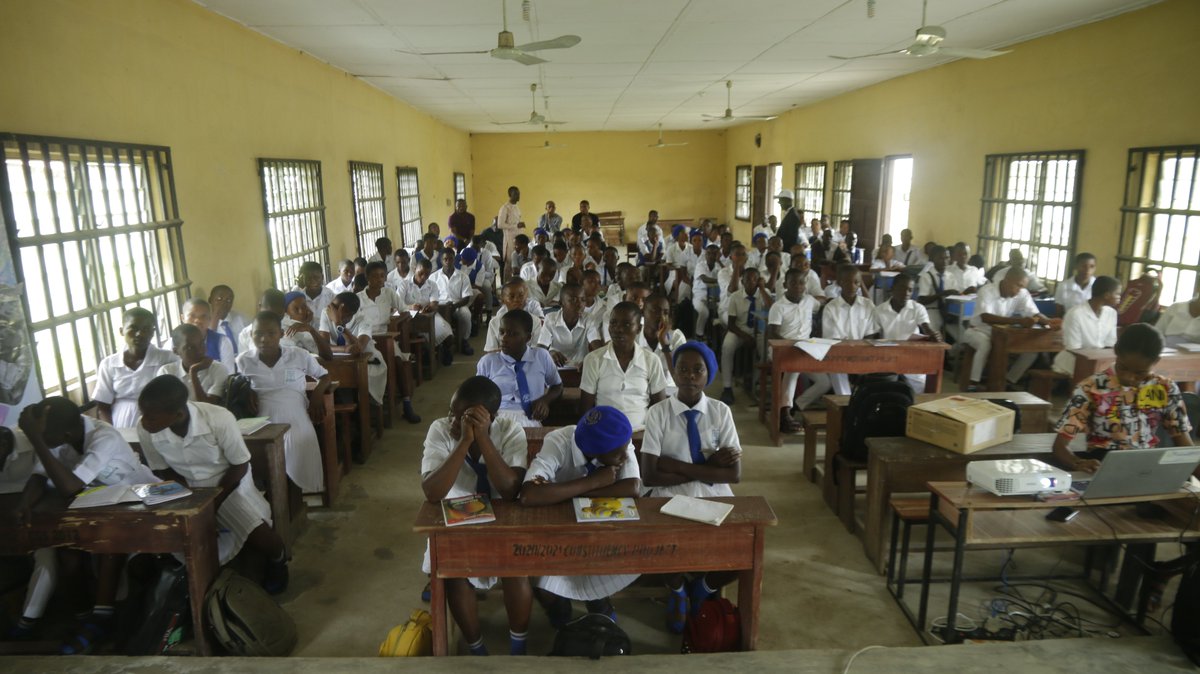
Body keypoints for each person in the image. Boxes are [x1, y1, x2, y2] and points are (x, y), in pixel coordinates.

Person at [16, 397, 159, 653]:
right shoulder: (63, 434)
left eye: (43, 435)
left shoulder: (104, 438)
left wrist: (36, 439)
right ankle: (84, 618)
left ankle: (101, 620)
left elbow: (70, 486)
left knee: (110, 542)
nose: (40, 439)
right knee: (67, 552)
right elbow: (40, 475)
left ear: (67, 433)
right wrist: (25, 503)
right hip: (97, 504)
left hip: (138, 501)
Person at [137, 376, 288, 588]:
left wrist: (211, 505)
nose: (144, 421)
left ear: (178, 414)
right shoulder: (145, 429)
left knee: (259, 535)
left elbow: (239, 465)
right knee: (166, 532)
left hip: (228, 482)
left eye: (151, 417)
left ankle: (279, 559)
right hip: (185, 486)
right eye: (143, 414)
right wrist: (191, 499)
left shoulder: (218, 418)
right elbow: (163, 469)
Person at [420, 376, 532, 655]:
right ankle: (476, 646)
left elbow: (509, 490)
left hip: (503, 515)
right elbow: (433, 492)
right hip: (457, 515)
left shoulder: (510, 430)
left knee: (516, 569)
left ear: (490, 417)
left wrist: (482, 439)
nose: (452, 421)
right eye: (452, 412)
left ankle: (518, 644)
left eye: (464, 416)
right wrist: (463, 442)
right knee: (454, 573)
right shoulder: (440, 429)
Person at [641, 342, 741, 630]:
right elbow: (650, 475)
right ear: (673, 373)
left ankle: (704, 587)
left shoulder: (721, 411)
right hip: (669, 494)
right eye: (682, 369)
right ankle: (676, 589)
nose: (689, 376)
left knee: (741, 549)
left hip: (714, 493)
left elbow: (733, 474)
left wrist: (674, 465)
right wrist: (709, 469)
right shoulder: (658, 412)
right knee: (656, 546)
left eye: (698, 369)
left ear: (708, 373)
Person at [519, 406, 641, 624]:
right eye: (618, 453)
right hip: (555, 530)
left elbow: (631, 487)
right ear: (595, 451)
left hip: (597, 531)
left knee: (600, 569)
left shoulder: (619, 439)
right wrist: (592, 481)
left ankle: (598, 602)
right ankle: (560, 611)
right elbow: (530, 494)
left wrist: (570, 493)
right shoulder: (558, 442)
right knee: (546, 582)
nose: (625, 456)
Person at [1053, 323, 1193, 472]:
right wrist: (1077, 462)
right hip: (1104, 463)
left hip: (1147, 465)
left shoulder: (1165, 388)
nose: (1129, 378)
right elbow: (1060, 446)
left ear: (1156, 361)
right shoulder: (1091, 387)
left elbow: (1184, 442)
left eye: (1140, 373)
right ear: (1116, 351)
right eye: (1123, 368)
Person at [236, 312, 330, 495]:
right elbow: (239, 386)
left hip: (294, 410)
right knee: (262, 450)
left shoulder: (298, 355)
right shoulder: (244, 361)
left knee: (297, 439)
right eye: (258, 334)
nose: (264, 339)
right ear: (251, 335)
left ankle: (297, 492)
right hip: (262, 418)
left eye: (271, 333)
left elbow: (325, 376)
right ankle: (273, 491)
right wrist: (247, 392)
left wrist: (318, 394)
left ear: (281, 333)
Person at [796, 265, 880, 411]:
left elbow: (871, 333)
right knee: (838, 373)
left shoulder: (868, 305)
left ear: (860, 284)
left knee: (874, 377)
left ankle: (862, 410)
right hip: (838, 354)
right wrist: (850, 355)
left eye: (856, 282)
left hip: (863, 354)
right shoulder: (831, 307)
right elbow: (832, 339)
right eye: (847, 282)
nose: (852, 286)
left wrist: (860, 355)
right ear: (839, 282)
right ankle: (847, 409)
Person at [961, 267, 1058, 389]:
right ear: (1007, 280)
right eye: (1018, 285)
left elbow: (1034, 313)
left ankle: (1009, 381)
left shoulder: (1022, 293)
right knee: (985, 344)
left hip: (1002, 334)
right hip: (978, 330)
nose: (1020, 290)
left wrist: (1048, 321)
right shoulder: (987, 291)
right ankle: (973, 384)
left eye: (1023, 287)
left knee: (1032, 349)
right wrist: (1018, 321)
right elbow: (986, 318)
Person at [580, 302, 669, 430]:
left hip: (641, 432)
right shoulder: (594, 360)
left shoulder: (651, 360)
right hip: (605, 434)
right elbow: (586, 409)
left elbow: (660, 407)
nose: (618, 329)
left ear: (638, 329)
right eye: (613, 323)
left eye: (626, 324)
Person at [92, 307, 179, 428]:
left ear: (153, 332)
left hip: (159, 423)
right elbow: (103, 407)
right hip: (120, 423)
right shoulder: (109, 364)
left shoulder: (167, 358)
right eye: (133, 328)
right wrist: (111, 432)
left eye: (146, 329)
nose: (140, 334)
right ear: (122, 331)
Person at [476, 310, 562, 427]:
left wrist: (545, 400)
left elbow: (557, 385)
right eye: (502, 332)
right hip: (496, 418)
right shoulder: (488, 361)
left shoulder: (541, 356)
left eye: (513, 334)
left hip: (530, 417)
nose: (504, 338)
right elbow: (477, 395)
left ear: (527, 337)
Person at [768, 268, 819, 431]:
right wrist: (793, 346)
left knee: (825, 381)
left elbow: (823, 306)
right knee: (793, 367)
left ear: (806, 285)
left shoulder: (810, 301)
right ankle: (785, 413)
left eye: (801, 282)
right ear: (785, 285)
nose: (798, 286)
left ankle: (795, 405)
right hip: (781, 349)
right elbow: (773, 333)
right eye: (793, 283)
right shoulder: (778, 306)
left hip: (806, 349)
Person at [874, 275, 942, 394]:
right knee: (888, 390)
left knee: (919, 389)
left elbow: (926, 328)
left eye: (910, 290)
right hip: (888, 356)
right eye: (902, 288)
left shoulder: (917, 308)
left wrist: (933, 335)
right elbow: (875, 337)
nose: (906, 293)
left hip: (912, 356)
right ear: (893, 289)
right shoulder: (879, 310)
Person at [320, 292, 387, 409]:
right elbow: (323, 345)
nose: (331, 309)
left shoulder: (364, 318)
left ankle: (365, 412)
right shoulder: (326, 313)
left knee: (362, 390)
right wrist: (345, 349)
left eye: (336, 308)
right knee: (338, 379)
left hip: (368, 361)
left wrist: (339, 324)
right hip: (341, 360)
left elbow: (359, 347)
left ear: (349, 313)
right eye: (332, 305)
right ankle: (351, 415)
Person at [719, 267, 771, 405]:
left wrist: (763, 289)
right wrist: (745, 336)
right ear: (742, 281)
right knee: (727, 347)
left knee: (766, 353)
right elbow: (731, 324)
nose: (751, 282)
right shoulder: (736, 296)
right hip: (739, 330)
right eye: (748, 279)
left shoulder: (764, 294)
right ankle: (727, 387)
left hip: (760, 332)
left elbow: (772, 309)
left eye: (755, 279)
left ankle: (753, 381)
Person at [1052, 276, 1121, 376]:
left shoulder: (1111, 313)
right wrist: (1094, 361)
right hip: (1074, 360)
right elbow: (1073, 348)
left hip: (1098, 361)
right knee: (1095, 376)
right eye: (1117, 294)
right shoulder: (1075, 313)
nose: (1120, 297)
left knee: (1116, 374)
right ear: (1106, 295)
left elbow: (1110, 343)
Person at [398, 258, 455, 361]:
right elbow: (397, 304)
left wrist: (430, 307)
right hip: (409, 317)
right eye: (421, 273)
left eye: (427, 274)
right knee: (423, 336)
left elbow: (434, 303)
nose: (424, 277)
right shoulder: (404, 284)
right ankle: (432, 353)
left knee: (447, 332)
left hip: (428, 316)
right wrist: (410, 307)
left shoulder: (432, 285)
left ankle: (441, 350)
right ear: (415, 269)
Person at [158, 323, 229, 403]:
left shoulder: (218, 369)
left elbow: (208, 407)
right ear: (176, 351)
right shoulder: (166, 372)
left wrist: (193, 372)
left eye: (202, 344)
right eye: (190, 348)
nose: (199, 351)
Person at [431, 248, 475, 356]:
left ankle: (464, 341)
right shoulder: (433, 277)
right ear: (441, 261)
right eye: (445, 259)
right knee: (433, 320)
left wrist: (454, 306)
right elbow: (430, 296)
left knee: (466, 314)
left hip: (457, 304)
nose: (448, 261)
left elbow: (466, 298)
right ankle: (442, 344)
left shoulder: (463, 276)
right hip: (439, 305)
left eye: (450, 259)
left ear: (454, 259)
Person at [484, 280, 544, 353]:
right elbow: (490, 352)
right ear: (503, 300)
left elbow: (537, 350)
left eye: (521, 296)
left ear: (526, 297)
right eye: (511, 297)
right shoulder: (494, 322)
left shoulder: (535, 321)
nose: (517, 300)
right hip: (502, 362)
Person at [538, 282, 590, 367]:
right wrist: (550, 353)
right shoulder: (551, 319)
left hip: (581, 369)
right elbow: (541, 347)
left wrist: (589, 361)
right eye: (573, 300)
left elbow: (596, 344)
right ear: (561, 303)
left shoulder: (589, 319)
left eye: (583, 300)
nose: (580, 304)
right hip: (556, 369)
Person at [182, 298, 235, 374]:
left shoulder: (222, 342)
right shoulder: (173, 343)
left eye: (203, 316)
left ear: (210, 319)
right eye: (192, 316)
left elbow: (229, 375)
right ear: (183, 318)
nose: (197, 320)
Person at [281, 291, 334, 360]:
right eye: (296, 309)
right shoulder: (292, 328)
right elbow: (327, 355)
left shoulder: (310, 322)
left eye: (304, 306)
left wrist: (306, 324)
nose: (302, 311)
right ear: (286, 312)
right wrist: (310, 328)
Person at [208, 285, 247, 365]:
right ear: (210, 300)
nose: (223, 303)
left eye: (228, 300)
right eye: (219, 299)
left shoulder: (241, 319)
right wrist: (215, 316)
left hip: (243, 365)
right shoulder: (205, 324)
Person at [917, 245, 951, 333]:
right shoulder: (926, 276)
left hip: (947, 312)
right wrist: (941, 294)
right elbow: (922, 300)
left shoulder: (951, 276)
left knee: (958, 335)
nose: (944, 261)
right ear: (933, 259)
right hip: (931, 311)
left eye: (947, 258)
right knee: (933, 334)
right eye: (941, 258)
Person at [691, 244, 723, 339]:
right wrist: (720, 280)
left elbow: (726, 274)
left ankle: (715, 337)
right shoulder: (701, 265)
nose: (711, 256)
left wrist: (719, 261)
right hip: (700, 296)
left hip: (716, 297)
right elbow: (705, 279)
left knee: (722, 312)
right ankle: (699, 334)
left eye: (714, 254)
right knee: (704, 312)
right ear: (705, 255)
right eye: (708, 253)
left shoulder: (718, 267)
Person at [293, 261, 335, 329]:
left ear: (322, 277)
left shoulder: (331, 297)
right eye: (308, 278)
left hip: (326, 336)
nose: (312, 281)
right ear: (303, 279)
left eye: (316, 277)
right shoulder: (297, 298)